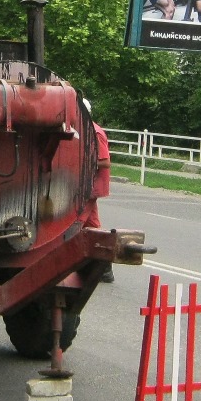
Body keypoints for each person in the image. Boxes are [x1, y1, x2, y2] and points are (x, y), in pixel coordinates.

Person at [81, 99, 114, 283]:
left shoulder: (96, 132)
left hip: (93, 185)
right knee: (91, 224)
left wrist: (82, 162)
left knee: (80, 223)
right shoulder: (85, 130)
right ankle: (102, 266)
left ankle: (104, 265)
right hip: (86, 184)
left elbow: (105, 161)